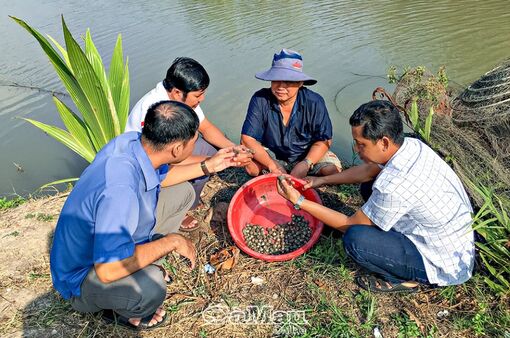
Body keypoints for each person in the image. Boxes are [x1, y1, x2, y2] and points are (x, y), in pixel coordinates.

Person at [50, 101, 244, 330]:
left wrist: (209, 165)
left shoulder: (134, 142)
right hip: (85, 275)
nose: (197, 146)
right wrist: (172, 241)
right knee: (151, 287)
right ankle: (120, 308)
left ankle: (146, 258)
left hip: (111, 239)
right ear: (177, 149)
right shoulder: (120, 192)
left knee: (182, 193)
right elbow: (109, 269)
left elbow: (163, 178)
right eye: (194, 141)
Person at [277, 100, 475, 293]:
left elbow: (349, 223)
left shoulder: (395, 184)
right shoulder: (411, 145)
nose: (356, 149)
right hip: (449, 235)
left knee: (356, 239)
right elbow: (370, 170)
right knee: (369, 186)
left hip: (443, 262)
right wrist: (322, 181)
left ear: (384, 142)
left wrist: (299, 201)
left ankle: (409, 280)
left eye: (361, 144)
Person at [126, 57, 251, 221]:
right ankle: (177, 209)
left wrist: (233, 148)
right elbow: (161, 163)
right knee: (203, 169)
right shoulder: (156, 111)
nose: (202, 99)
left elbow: (206, 128)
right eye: (198, 95)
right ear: (177, 92)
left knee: (214, 146)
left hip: (171, 154)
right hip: (149, 167)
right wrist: (209, 163)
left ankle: (190, 200)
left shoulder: (182, 99)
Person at [241, 49, 342, 179]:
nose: (281, 86)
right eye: (276, 79)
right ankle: (278, 172)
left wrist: (306, 163)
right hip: (273, 153)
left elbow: (324, 139)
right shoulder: (260, 99)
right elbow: (247, 139)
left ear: (300, 83)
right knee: (252, 169)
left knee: (333, 171)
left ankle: (305, 176)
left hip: (305, 153)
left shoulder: (315, 102)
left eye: (288, 81)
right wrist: (272, 164)